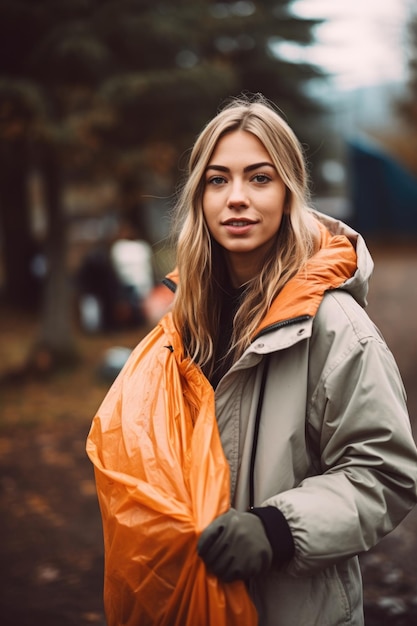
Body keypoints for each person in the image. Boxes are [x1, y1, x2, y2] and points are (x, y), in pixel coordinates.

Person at [87, 94, 417, 626]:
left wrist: (277, 529)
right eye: (219, 180)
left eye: (259, 178)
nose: (236, 198)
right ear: (199, 196)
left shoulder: (335, 326)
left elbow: (387, 469)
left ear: (290, 193)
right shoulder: (181, 325)